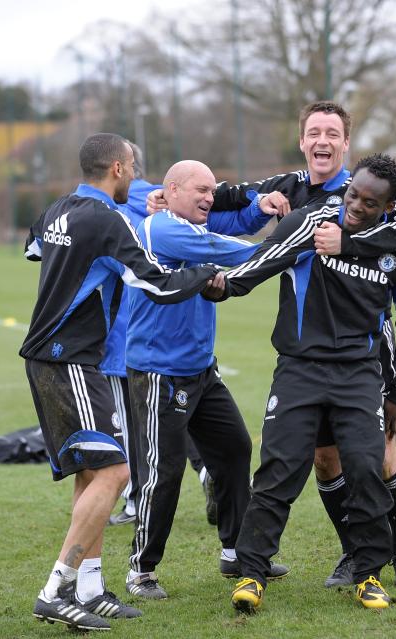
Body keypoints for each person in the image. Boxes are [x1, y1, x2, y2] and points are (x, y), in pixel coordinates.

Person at [150, 101, 396, 589]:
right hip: (304, 357)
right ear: (302, 142)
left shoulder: (377, 198)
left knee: (377, 460)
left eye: (333, 133)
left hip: (367, 358)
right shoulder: (291, 191)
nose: (323, 140)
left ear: (346, 143)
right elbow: (229, 200)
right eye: (314, 132)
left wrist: (348, 243)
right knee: (323, 460)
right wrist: (162, 201)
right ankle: (354, 556)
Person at [206, 154, 396, 613]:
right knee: (280, 469)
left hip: (359, 374)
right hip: (299, 368)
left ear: (388, 210)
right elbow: (264, 260)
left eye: (370, 203)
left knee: (367, 469)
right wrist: (225, 284)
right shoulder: (312, 223)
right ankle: (252, 573)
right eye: (353, 195)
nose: (356, 206)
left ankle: (369, 575)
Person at [20, 133, 218, 631]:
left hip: (65, 358)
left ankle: (89, 587)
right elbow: (156, 281)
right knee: (115, 473)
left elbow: (35, 253)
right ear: (116, 168)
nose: (136, 173)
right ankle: (56, 588)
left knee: (92, 474)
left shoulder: (57, 210)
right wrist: (205, 273)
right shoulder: (108, 220)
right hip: (72, 362)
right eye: (132, 165)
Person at [124, 160, 289, 600]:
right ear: (171, 189)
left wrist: (262, 210)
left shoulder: (191, 223)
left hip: (202, 371)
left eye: (212, 192)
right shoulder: (160, 228)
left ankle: (236, 551)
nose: (208, 198)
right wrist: (293, 245)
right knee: (165, 470)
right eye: (200, 190)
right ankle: (141, 570)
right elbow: (227, 247)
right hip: (160, 373)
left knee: (234, 448)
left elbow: (233, 222)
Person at [103, 143, 218, 529]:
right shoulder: (161, 196)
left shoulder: (113, 201)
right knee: (174, 416)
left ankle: (139, 514)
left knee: (142, 424)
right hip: (176, 337)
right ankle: (207, 473)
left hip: (131, 336)